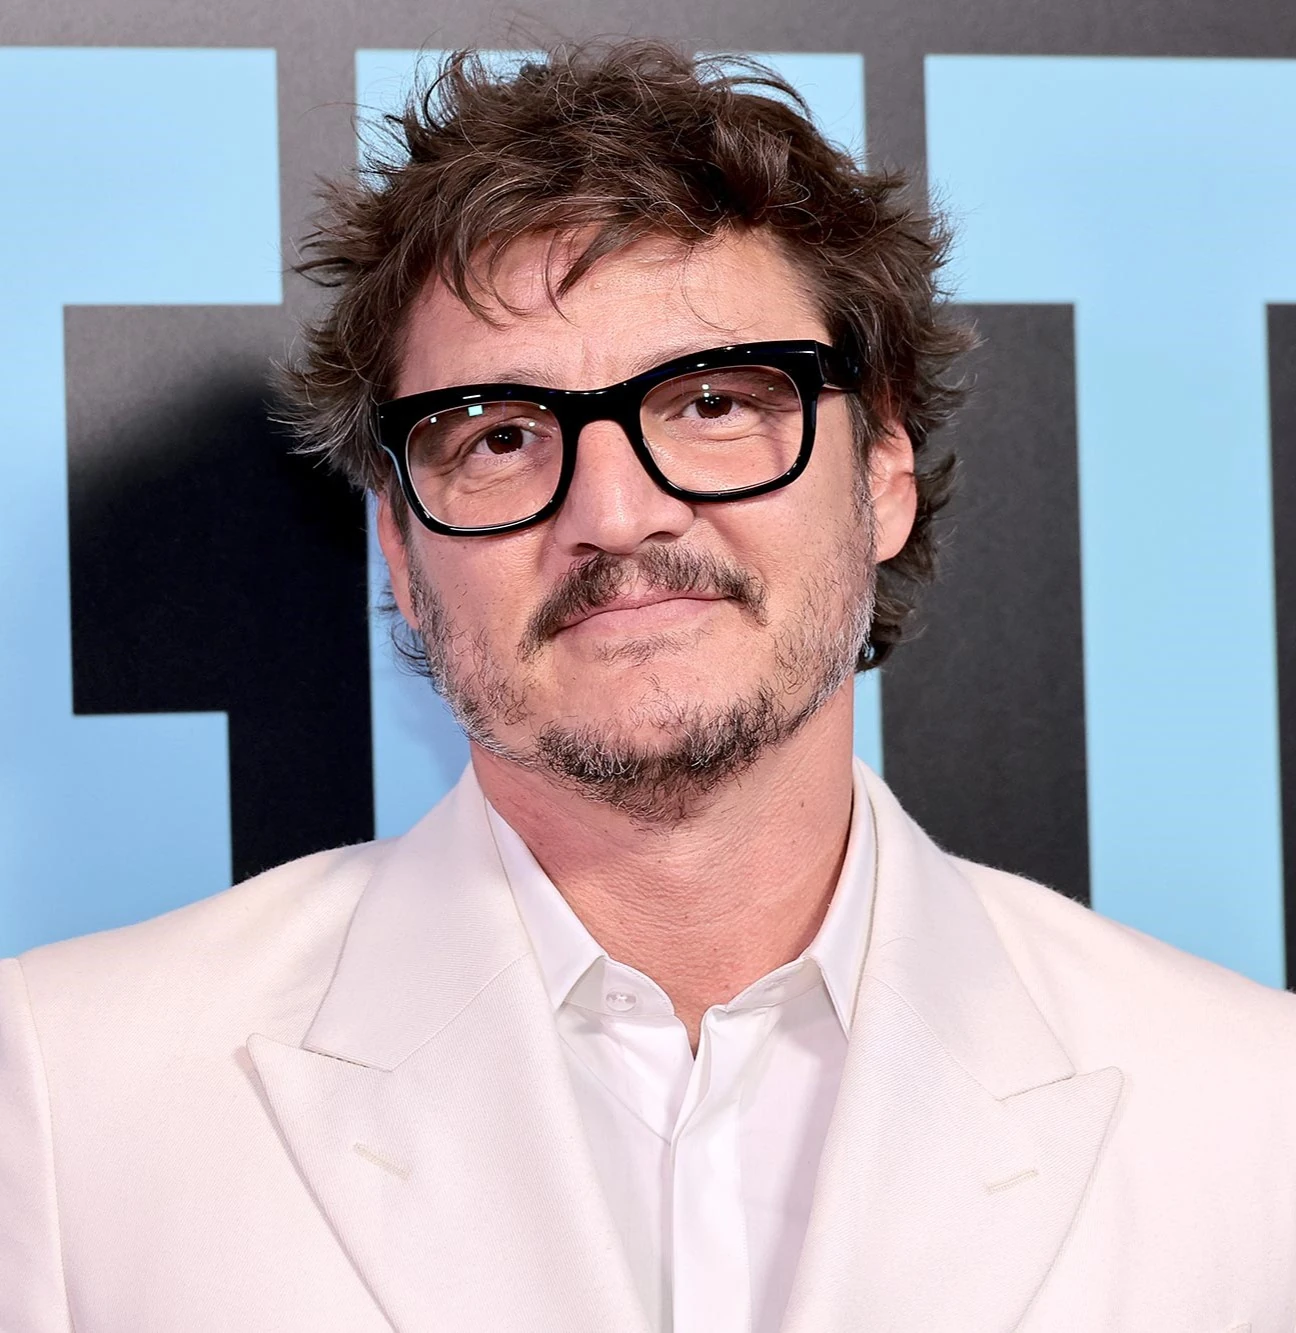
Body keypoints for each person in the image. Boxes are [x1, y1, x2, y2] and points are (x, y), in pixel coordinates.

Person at [2, 40, 1294, 1333]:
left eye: (715, 404)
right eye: (503, 437)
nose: (615, 515)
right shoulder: (71, 1099)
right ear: (400, 549)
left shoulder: (1247, 1113)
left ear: (884, 473)